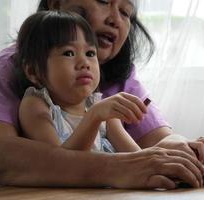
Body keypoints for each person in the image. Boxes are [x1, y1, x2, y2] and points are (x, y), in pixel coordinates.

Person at [0, 0, 204, 190]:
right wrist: (119, 168)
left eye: (126, 12)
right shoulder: (3, 71)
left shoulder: (117, 76)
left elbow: (157, 141)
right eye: (104, 1)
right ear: (57, 5)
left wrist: (194, 153)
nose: (116, 19)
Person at [15, 10, 143, 153]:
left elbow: (136, 158)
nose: (85, 63)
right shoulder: (36, 105)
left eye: (90, 53)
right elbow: (60, 164)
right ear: (34, 72)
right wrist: (94, 117)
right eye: (69, 53)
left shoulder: (101, 108)